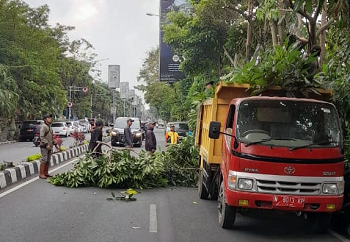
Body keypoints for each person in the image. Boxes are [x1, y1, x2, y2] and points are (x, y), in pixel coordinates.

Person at [39, 114, 56, 179]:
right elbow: (42, 137)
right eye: (48, 118)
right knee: (44, 159)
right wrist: (46, 144)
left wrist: (55, 143)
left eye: (50, 118)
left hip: (50, 146)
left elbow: (51, 137)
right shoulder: (43, 127)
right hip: (44, 146)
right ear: (45, 120)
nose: (50, 119)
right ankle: (41, 174)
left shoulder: (49, 127)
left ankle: (46, 173)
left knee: (48, 160)